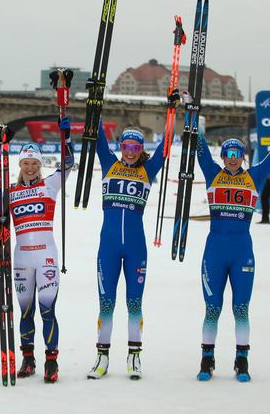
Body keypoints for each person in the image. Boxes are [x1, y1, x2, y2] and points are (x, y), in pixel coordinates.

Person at [194, 102, 270, 383]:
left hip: (242, 253)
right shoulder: (213, 174)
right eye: (228, 154)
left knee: (241, 308)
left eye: (237, 154)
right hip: (214, 251)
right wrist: (193, 113)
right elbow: (199, 146)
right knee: (212, 308)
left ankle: (242, 360)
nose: (233, 159)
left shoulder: (254, 177)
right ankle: (207, 358)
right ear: (223, 155)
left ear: (243, 157)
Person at [87, 119, 165, 381]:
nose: (130, 151)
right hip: (107, 247)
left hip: (135, 248)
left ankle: (134, 356)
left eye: (135, 146)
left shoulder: (148, 170)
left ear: (141, 148)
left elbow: (165, 147)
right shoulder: (109, 164)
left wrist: (173, 111)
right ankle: (102, 357)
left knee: (134, 303)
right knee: (106, 303)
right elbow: (97, 138)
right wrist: (93, 108)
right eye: (126, 145)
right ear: (120, 146)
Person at [6, 117, 72, 383]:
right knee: (25, 311)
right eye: (26, 163)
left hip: (45, 256)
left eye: (35, 163)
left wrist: (65, 137)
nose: (31, 168)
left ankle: (52, 361)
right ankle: (28, 358)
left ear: (40, 165)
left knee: (47, 310)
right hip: (22, 258)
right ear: (19, 165)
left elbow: (68, 165)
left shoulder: (50, 185)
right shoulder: (10, 191)